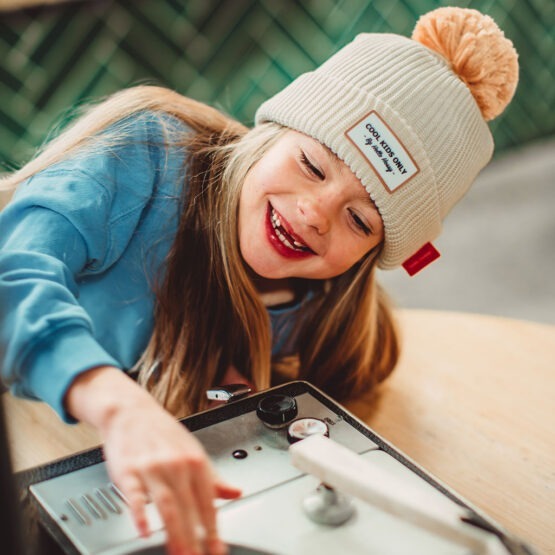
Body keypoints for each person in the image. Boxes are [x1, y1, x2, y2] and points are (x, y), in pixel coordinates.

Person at [0, 7, 518, 555]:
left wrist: (225, 398)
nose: (316, 213)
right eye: (313, 166)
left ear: (372, 255)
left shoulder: (316, 315)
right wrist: (120, 407)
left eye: (360, 220)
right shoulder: (145, 151)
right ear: (274, 131)